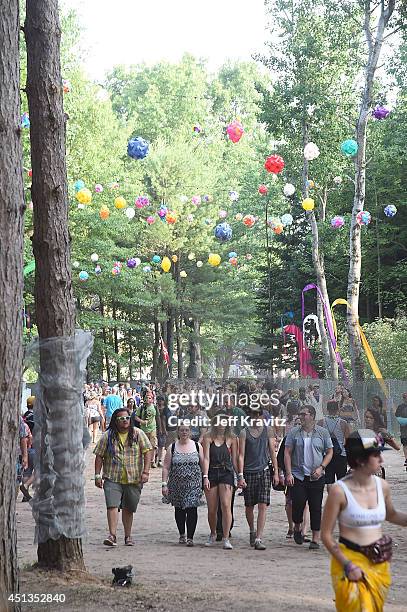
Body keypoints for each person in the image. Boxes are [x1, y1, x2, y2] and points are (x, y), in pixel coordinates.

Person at [321, 429, 407, 611]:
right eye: (376, 455)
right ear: (360, 459)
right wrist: (347, 565)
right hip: (349, 560)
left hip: (378, 562)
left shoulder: (382, 486)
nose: (381, 460)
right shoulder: (338, 491)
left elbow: (390, 514)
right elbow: (326, 536)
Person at [93, 408, 153, 546]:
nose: (125, 420)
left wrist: (146, 471)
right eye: (121, 418)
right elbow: (99, 455)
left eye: (127, 418)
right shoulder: (108, 436)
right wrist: (97, 475)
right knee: (112, 505)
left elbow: (147, 451)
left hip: (134, 478)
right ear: (115, 421)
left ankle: (128, 536)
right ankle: (112, 535)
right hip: (112, 477)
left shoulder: (138, 433)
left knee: (128, 508)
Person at [284, 404, 333, 549]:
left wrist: (322, 467)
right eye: (300, 414)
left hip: (316, 476)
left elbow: (330, 451)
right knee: (298, 504)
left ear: (312, 416)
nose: (300, 416)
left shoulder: (322, 433)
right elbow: (287, 452)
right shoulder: (294, 432)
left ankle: (315, 539)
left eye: (303, 414)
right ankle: (297, 527)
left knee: (316, 507)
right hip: (298, 475)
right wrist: (288, 473)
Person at [238, 403, 280, 550]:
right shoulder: (244, 432)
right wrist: (241, 475)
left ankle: (258, 538)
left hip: (264, 471)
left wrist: (275, 472)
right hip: (249, 472)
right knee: (249, 505)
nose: (256, 418)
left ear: (262, 416)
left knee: (263, 505)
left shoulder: (268, 431)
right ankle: (251, 530)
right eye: (253, 415)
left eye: (258, 415)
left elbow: (272, 452)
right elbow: (241, 455)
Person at [162, 424, 204, 546]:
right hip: (176, 484)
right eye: (182, 430)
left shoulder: (197, 446)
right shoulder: (173, 447)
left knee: (192, 508)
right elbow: (166, 467)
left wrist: (205, 478)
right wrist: (164, 484)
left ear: (190, 432)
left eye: (187, 430)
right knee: (179, 509)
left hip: (194, 484)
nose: (184, 432)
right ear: (178, 432)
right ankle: (182, 534)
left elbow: (203, 463)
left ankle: (190, 537)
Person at [202, 413, 239, 550]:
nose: (222, 424)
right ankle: (213, 534)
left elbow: (235, 459)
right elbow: (206, 458)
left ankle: (226, 537)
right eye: (220, 421)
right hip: (212, 471)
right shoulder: (208, 437)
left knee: (225, 505)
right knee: (212, 508)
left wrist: (240, 475)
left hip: (226, 472)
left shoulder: (232, 438)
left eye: (225, 422)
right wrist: (205, 476)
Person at [319, 400, 350, 490]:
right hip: (341, 454)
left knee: (329, 480)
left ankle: (331, 498)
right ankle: (340, 499)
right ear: (338, 409)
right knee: (342, 479)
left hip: (327, 454)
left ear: (327, 409)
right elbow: (348, 441)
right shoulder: (343, 423)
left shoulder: (321, 422)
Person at [364, 408, 400, 478]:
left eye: (371, 418)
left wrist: (388, 435)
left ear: (375, 419)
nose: (368, 419)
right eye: (366, 417)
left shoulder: (381, 433)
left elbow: (397, 447)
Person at [135, 389, 158, 466]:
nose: (148, 399)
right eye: (147, 398)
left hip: (152, 429)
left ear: (152, 399)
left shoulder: (154, 407)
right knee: (144, 445)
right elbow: (136, 417)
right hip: (143, 429)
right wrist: (142, 421)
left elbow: (158, 417)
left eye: (150, 398)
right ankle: (144, 460)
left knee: (153, 445)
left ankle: (152, 461)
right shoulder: (141, 408)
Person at [395, 392, 407, 469]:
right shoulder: (400, 407)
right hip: (403, 429)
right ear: (403, 398)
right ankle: (406, 459)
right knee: (405, 444)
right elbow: (397, 416)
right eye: (405, 397)